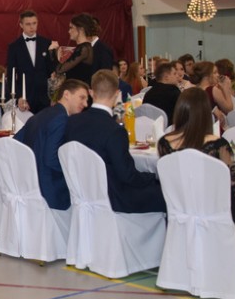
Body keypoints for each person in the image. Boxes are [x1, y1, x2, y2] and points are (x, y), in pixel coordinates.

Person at [158, 88, 235, 223]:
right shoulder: (218, 144)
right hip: (215, 214)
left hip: (181, 211)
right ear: (206, 113)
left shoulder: (163, 143)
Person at [64, 70, 165, 214]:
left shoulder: (71, 122)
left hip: (82, 194)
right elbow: (127, 175)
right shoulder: (115, 130)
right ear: (117, 94)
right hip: (113, 198)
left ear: (91, 93)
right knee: (167, 194)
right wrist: (153, 176)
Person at [15, 78, 90, 210]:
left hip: (28, 186)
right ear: (66, 94)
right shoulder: (61, 119)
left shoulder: (39, 115)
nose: (85, 104)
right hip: (50, 191)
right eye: (82, 98)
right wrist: (74, 172)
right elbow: (51, 159)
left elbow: (16, 142)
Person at [6, 10, 57, 114]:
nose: (32, 27)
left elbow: (52, 70)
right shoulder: (14, 47)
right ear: (21, 25)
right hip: (25, 97)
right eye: (28, 24)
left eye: (34, 23)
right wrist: (19, 97)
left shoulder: (46, 43)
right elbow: (11, 75)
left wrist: (54, 96)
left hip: (45, 97)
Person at [53, 13, 96, 88]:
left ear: (81, 29)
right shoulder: (83, 48)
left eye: (71, 27)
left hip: (78, 91)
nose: (69, 31)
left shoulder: (84, 49)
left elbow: (59, 69)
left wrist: (53, 51)